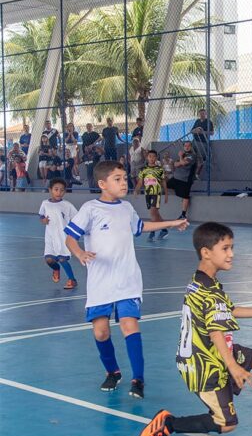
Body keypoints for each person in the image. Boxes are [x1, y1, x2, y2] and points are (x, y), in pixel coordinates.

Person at [136, 222, 252, 436]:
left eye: (231, 247)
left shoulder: (203, 281)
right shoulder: (209, 291)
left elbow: (229, 310)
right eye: (225, 248)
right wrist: (233, 367)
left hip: (211, 351)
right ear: (206, 253)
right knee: (225, 423)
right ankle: (168, 423)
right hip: (202, 364)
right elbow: (216, 332)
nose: (231, 254)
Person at [64, 160, 189, 398]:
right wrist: (79, 252)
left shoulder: (126, 208)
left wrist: (172, 222)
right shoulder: (90, 208)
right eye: (117, 179)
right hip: (100, 281)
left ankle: (138, 379)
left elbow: (141, 226)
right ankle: (113, 372)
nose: (124, 182)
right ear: (102, 184)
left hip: (127, 278)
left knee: (129, 325)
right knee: (100, 332)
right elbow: (70, 237)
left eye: (124, 178)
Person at [39, 179, 79, 289]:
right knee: (49, 260)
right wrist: (43, 220)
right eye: (56, 189)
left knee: (62, 259)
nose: (59, 192)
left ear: (65, 192)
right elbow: (41, 215)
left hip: (63, 237)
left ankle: (72, 280)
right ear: (50, 190)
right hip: (50, 237)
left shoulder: (67, 205)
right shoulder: (45, 203)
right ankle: (56, 269)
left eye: (62, 190)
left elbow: (77, 218)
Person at [135, 150, 170, 241]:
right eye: (149, 156)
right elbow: (140, 182)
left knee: (153, 213)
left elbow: (163, 182)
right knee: (155, 214)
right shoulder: (144, 170)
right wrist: (136, 190)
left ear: (156, 158)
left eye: (153, 156)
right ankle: (164, 230)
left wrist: (166, 194)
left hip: (156, 193)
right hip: (148, 194)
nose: (151, 158)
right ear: (147, 157)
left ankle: (152, 232)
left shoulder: (159, 169)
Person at [167, 142, 197, 220]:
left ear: (191, 147)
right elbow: (175, 164)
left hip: (185, 180)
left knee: (185, 196)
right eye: (185, 146)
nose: (187, 147)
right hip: (176, 178)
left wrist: (180, 157)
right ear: (183, 147)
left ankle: (183, 214)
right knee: (165, 186)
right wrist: (180, 161)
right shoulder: (184, 155)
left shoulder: (192, 156)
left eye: (188, 146)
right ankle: (178, 193)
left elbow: (183, 163)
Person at [191, 109, 214, 179]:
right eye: (200, 113)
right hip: (195, 141)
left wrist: (202, 132)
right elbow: (192, 131)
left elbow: (212, 133)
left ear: (206, 114)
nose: (202, 115)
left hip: (203, 142)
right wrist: (195, 131)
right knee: (193, 157)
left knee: (201, 159)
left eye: (203, 113)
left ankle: (197, 174)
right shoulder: (197, 121)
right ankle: (193, 174)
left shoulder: (209, 122)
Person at [81, 123, 101, 191]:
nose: (89, 127)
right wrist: (85, 148)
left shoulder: (94, 133)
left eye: (90, 126)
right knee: (89, 168)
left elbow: (100, 138)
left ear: (92, 127)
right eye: (87, 126)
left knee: (95, 169)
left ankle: (97, 188)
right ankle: (91, 188)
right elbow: (83, 142)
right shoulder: (84, 134)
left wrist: (93, 144)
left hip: (93, 152)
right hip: (86, 153)